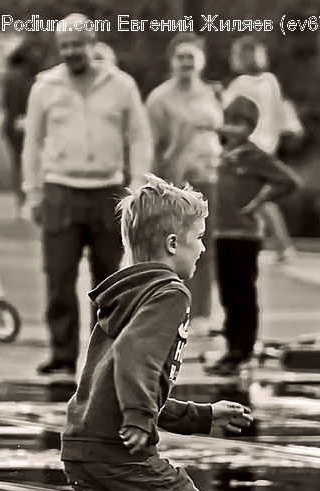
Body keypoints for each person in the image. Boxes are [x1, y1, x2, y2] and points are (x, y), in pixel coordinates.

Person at [31, 175, 253, 491]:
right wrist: (136, 420)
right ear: (173, 244)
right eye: (198, 240)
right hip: (117, 444)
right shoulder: (169, 293)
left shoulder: (127, 295)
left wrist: (201, 416)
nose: (201, 251)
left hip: (83, 444)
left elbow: (132, 379)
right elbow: (137, 361)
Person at [22, 14, 152, 376]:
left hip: (107, 190)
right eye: (64, 46)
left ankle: (107, 357)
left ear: (91, 45)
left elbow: (138, 136)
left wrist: (138, 184)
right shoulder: (44, 87)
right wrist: (32, 192)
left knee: (109, 278)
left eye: (76, 45)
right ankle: (62, 356)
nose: (70, 53)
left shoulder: (121, 85)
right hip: (60, 188)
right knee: (59, 276)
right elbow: (32, 144)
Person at [204, 96, 300, 377]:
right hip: (221, 232)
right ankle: (231, 346)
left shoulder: (255, 156)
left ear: (250, 127)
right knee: (226, 293)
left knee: (242, 293)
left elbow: (289, 181)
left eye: (240, 124)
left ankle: (242, 349)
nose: (233, 129)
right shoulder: (222, 156)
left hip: (244, 234)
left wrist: (261, 200)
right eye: (230, 122)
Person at [145, 33, 223, 335]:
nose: (187, 63)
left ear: (202, 61)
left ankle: (202, 313)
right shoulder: (160, 99)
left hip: (210, 178)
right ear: (172, 61)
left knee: (204, 246)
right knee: (172, 247)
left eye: (192, 57)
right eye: (181, 57)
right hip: (176, 183)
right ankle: (168, 307)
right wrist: (149, 184)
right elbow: (151, 144)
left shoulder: (212, 94)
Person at [224, 36, 300, 263]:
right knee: (264, 196)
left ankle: (283, 245)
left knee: (256, 197)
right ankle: (281, 245)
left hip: (250, 144)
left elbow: (227, 108)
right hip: (269, 143)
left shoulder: (241, 84)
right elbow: (279, 110)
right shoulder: (270, 81)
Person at [0, 39, 48, 214]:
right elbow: (13, 102)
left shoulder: (14, 74)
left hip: (16, 122)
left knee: (19, 161)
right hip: (21, 122)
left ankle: (22, 198)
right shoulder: (22, 76)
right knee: (24, 161)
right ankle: (25, 198)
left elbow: (5, 102)